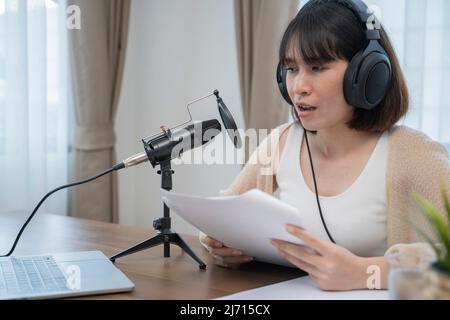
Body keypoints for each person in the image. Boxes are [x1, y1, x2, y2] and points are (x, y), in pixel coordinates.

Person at [200, 0, 450, 291]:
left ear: (368, 75)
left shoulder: (414, 155)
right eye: (291, 69)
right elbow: (221, 220)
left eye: (317, 67)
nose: (298, 86)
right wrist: (224, 249)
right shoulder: (280, 143)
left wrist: (365, 272)